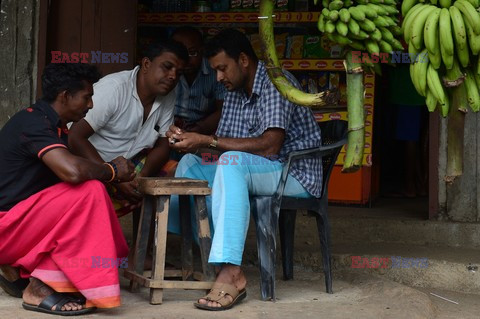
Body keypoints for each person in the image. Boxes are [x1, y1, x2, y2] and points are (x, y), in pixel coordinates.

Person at [166, 28, 323, 311]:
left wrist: (207, 139)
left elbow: (270, 147)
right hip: (254, 169)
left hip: (292, 172)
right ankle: (209, 258)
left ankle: (232, 272)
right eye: (214, 71)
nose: (218, 78)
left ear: (243, 60)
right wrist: (190, 143)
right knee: (191, 164)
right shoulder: (236, 91)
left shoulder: (276, 82)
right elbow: (222, 147)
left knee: (231, 163)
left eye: (223, 69)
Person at [0, 63, 136, 316]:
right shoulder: (33, 123)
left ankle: (30, 273)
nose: (91, 105)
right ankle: (38, 288)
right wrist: (112, 171)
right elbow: (72, 172)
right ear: (65, 95)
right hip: (7, 227)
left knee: (92, 195)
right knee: (90, 191)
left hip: (20, 223)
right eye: (87, 97)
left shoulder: (54, 128)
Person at [68, 40, 189, 216]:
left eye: (179, 73)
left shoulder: (167, 93)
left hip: (128, 167)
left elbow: (164, 144)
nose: (173, 76)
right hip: (93, 164)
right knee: (94, 189)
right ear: (146, 64)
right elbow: (75, 138)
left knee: (174, 170)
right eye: (167, 67)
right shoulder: (114, 89)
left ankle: (145, 242)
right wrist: (113, 176)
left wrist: (141, 178)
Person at [171, 26, 225, 135]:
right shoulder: (168, 71)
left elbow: (223, 110)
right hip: (170, 126)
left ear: (202, 51)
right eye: (180, 54)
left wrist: (201, 127)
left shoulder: (215, 71)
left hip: (204, 128)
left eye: (192, 53)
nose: (186, 60)